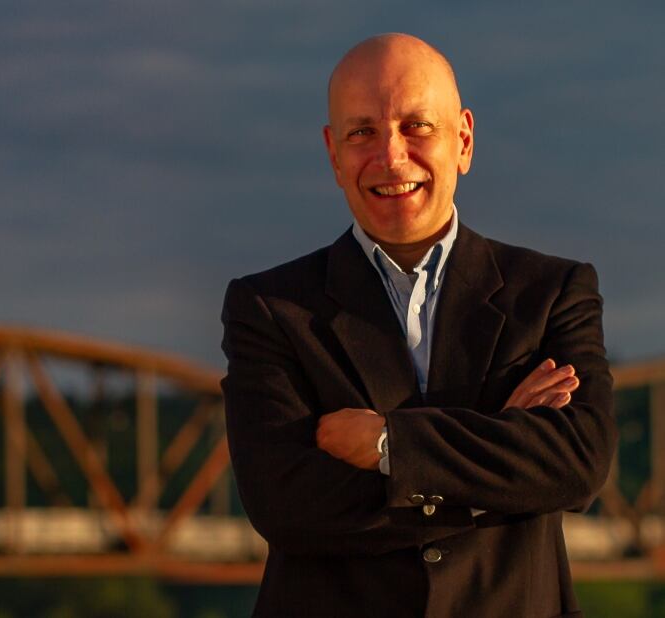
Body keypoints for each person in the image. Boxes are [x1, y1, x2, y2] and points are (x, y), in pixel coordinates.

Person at [221, 33, 617, 618]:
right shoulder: (269, 308)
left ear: (464, 139)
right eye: (362, 133)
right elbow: (286, 505)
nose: (391, 156)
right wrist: (504, 454)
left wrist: (388, 444)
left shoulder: (554, 292)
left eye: (416, 127)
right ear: (334, 154)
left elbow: (578, 463)